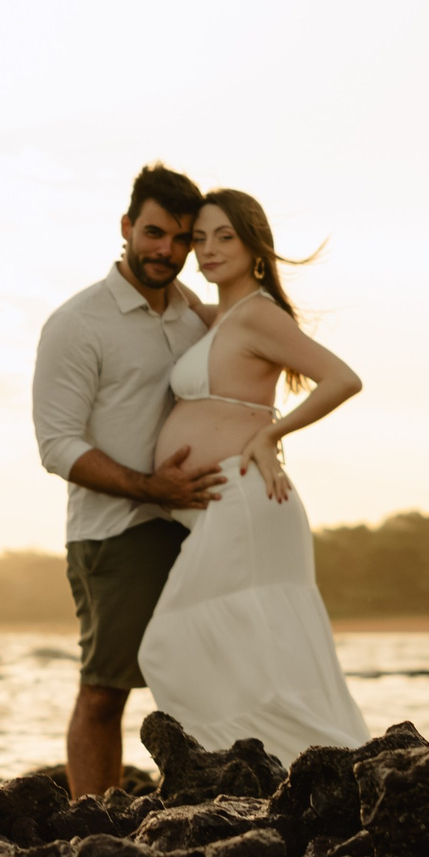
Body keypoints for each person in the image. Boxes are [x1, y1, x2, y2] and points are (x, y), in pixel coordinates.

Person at [136, 187, 370, 757]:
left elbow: (343, 378)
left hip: (244, 500)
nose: (209, 249)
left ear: (254, 245)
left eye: (225, 237)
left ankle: (280, 760)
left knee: (165, 646)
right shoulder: (226, 316)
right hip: (230, 506)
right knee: (265, 655)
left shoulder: (259, 315)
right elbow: (184, 301)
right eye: (200, 239)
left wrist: (272, 432)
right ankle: (288, 770)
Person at [31, 163, 228, 801]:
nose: (164, 251)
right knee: (105, 689)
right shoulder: (78, 323)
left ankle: (191, 810)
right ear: (126, 227)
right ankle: (94, 821)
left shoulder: (194, 318)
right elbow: (57, 445)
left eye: (178, 239)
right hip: (115, 532)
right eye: (152, 233)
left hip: (194, 524)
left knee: (199, 684)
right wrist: (150, 488)